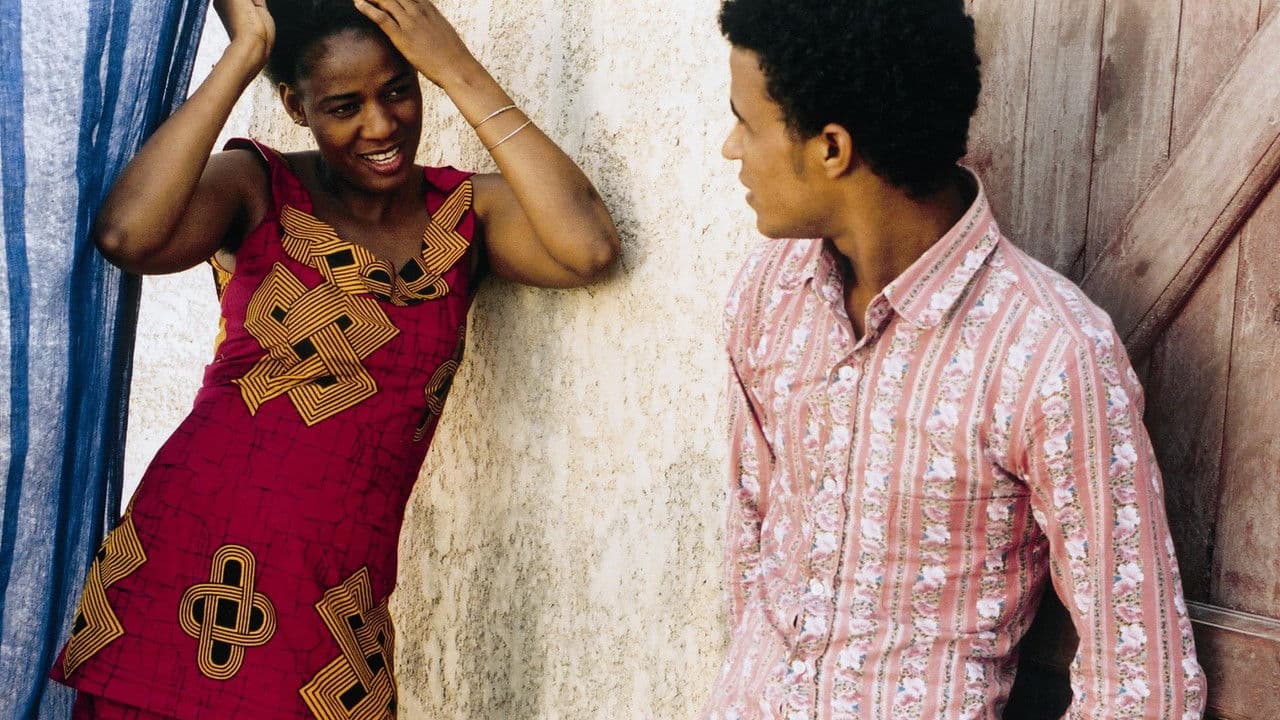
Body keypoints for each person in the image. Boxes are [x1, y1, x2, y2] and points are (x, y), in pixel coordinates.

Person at [51, 0, 618, 717]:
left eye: (399, 91)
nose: (380, 126)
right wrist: (245, 52)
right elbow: (129, 236)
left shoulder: (463, 216)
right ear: (297, 106)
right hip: (191, 572)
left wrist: (457, 69)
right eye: (345, 106)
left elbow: (588, 248)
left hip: (337, 604)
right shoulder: (258, 187)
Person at [705, 1, 1206, 718]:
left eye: (746, 123)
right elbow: (752, 535)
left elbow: (1143, 682)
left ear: (832, 148)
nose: (732, 149)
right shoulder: (769, 292)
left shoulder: (1049, 354)